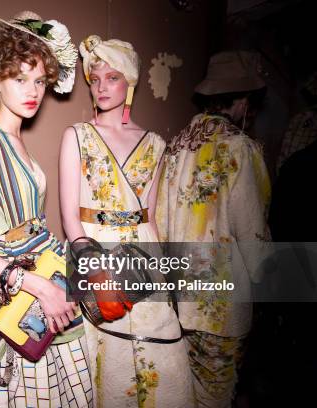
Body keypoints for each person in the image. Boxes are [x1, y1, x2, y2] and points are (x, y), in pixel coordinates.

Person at [0, 11, 92, 407]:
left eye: (39, 81)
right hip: (10, 305)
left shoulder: (17, 143)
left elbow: (29, 233)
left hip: (38, 293)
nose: (33, 91)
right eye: (19, 79)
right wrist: (39, 286)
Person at [59, 35, 192, 407]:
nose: (101, 87)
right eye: (95, 77)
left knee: (160, 357)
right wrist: (93, 265)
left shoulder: (154, 144)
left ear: (129, 82)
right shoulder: (77, 136)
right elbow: (70, 215)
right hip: (94, 249)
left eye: (113, 77)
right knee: (106, 359)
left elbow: (150, 216)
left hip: (142, 256)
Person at [156, 50, 271, 408]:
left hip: (178, 298)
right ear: (242, 100)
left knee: (185, 394)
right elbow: (253, 235)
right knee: (215, 397)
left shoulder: (176, 146)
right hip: (221, 308)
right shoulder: (239, 148)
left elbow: (158, 223)